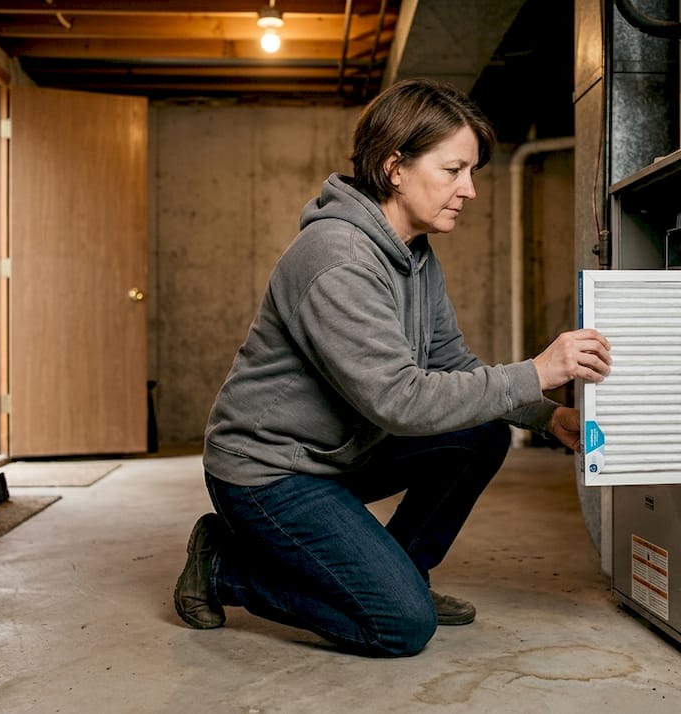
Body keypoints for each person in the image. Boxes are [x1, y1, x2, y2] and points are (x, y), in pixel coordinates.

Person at [174, 78, 612, 657]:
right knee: (400, 626)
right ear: (395, 167)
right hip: (270, 472)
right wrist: (536, 369)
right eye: (454, 170)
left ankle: (399, 572)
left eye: (472, 172)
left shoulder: (415, 256)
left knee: (480, 433)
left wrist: (544, 415)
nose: (470, 190)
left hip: (336, 451)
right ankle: (224, 566)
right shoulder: (337, 260)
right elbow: (398, 401)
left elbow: (451, 364)